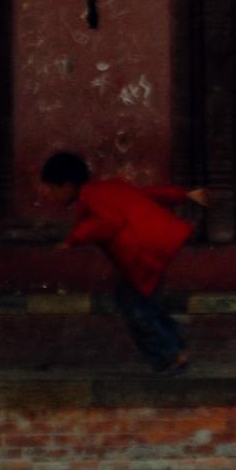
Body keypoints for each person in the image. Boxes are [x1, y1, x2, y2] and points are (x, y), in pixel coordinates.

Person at [41, 152, 209, 374]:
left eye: (53, 188)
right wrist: (184, 194)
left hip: (143, 255)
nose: (52, 195)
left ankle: (171, 355)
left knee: (136, 309)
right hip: (156, 247)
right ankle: (173, 333)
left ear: (68, 185)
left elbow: (107, 222)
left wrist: (72, 240)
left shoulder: (90, 200)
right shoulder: (110, 188)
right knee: (138, 300)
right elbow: (146, 195)